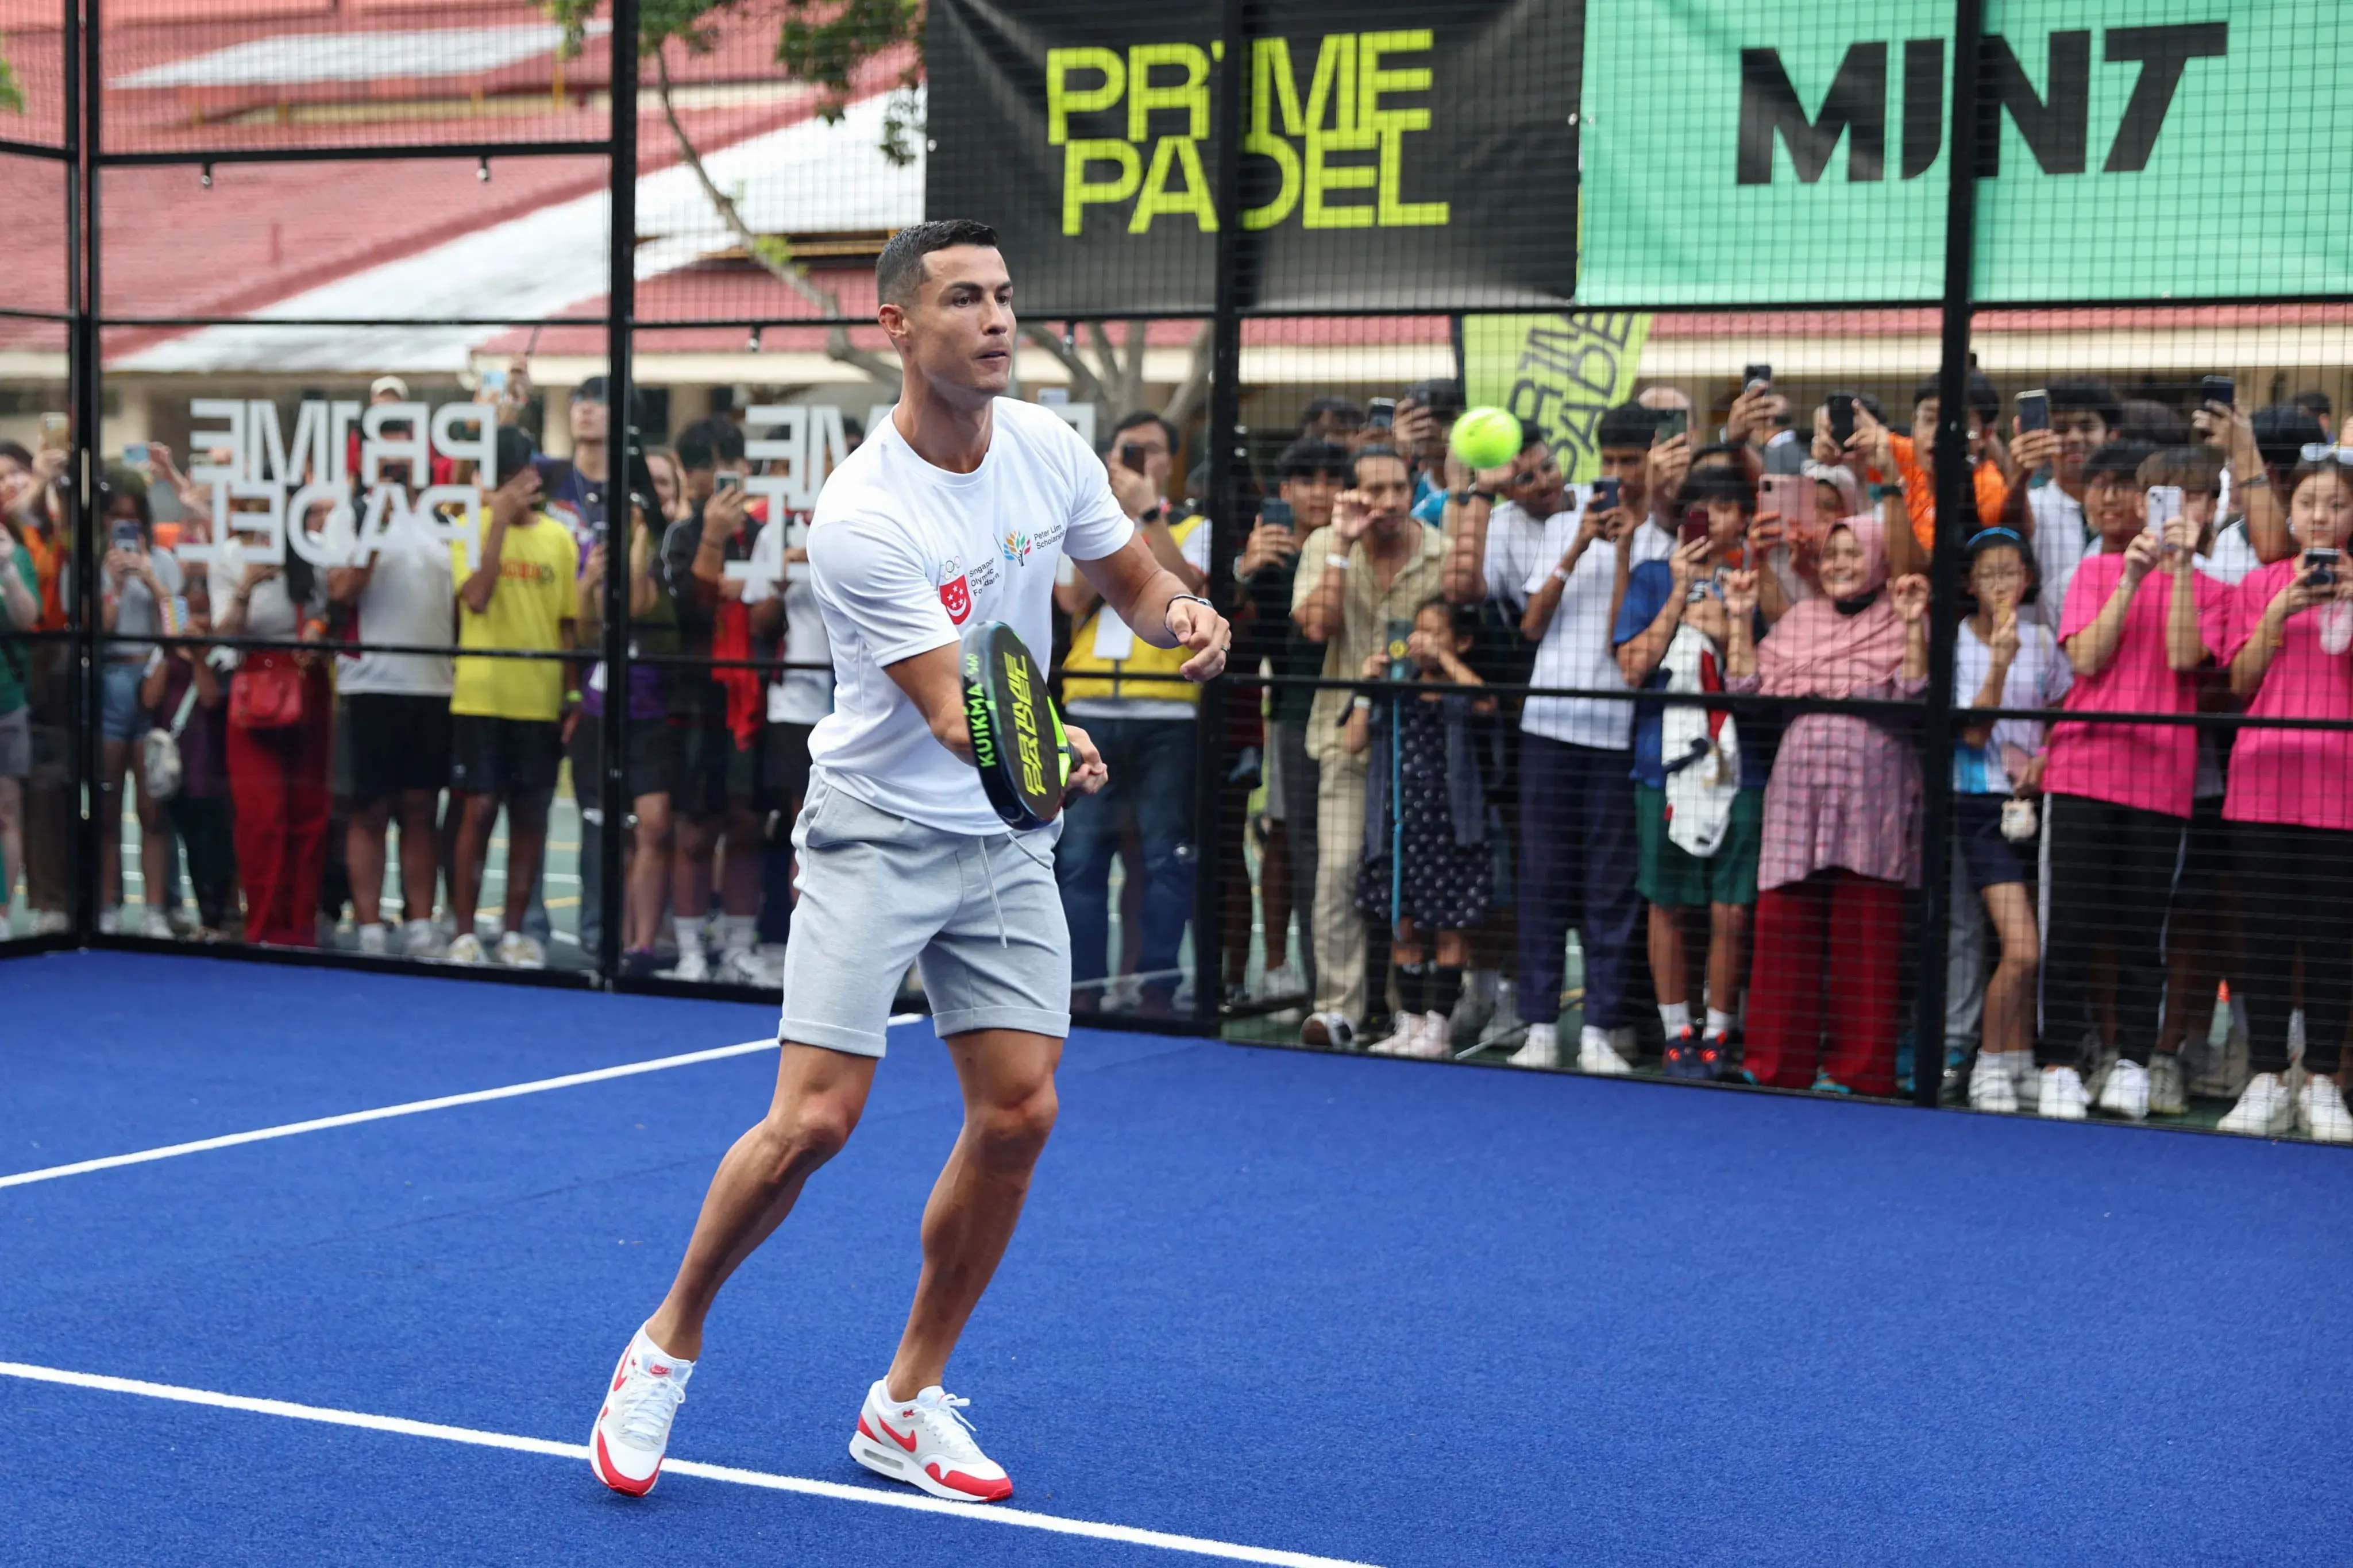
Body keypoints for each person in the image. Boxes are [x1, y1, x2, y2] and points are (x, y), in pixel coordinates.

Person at [586, 218, 1229, 1504]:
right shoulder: (862, 518)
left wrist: (1181, 614)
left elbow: (1126, 575)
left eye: (1003, 297)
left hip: (1002, 834)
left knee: (1019, 1112)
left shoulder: (1048, 448)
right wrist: (1057, 747)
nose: (995, 320)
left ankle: (905, 1400)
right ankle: (665, 1343)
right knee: (815, 1122)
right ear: (896, 326)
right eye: (962, 300)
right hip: (879, 825)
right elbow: (956, 709)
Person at [2036, 441, 2228, 1121]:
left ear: (2211, 511)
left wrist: (2176, 571)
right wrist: (2129, 580)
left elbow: (2184, 656)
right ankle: (2058, 1063)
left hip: (2161, 780)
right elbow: (2086, 659)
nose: (2180, 510)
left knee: (2146, 930)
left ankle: (2131, 1065)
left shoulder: (2216, 593)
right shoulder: (2095, 572)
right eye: (2166, 498)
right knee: (2071, 926)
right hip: (2083, 770)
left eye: (2195, 499)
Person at [1723, 516, 1928, 1096]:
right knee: (1782, 923)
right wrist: (1740, 618)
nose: (1840, 563)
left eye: (1852, 552)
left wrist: (1914, 626)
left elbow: (1914, 694)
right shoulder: (1801, 618)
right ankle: (1774, 1064)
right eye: (1832, 553)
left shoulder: (1901, 613)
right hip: (1797, 794)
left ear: (1879, 558)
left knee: (1865, 931)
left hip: (1874, 796)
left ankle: (1856, 1072)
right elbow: (1745, 689)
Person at [1613, 464, 1769, 1079]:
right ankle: (1676, 1028)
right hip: (1663, 766)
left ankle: (1721, 1030)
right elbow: (1631, 668)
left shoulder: (1758, 583)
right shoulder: (1652, 577)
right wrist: (1679, 597)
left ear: (1744, 518)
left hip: (1740, 764)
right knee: (1668, 904)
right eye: (1700, 509)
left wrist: (1733, 619)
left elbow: (1760, 679)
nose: (1714, 519)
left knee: (1733, 910)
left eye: (1727, 508)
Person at [1291, 445, 1449, 1048]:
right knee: (1336, 872)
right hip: (1347, 734)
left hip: (1422, 743)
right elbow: (1315, 627)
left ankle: (1407, 1012)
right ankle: (1338, 1010)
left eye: (1396, 488)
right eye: (1372, 491)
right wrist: (1340, 544)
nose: (1386, 502)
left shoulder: (1438, 551)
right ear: (1351, 496)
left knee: (1412, 879)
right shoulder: (1323, 546)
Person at [1509, 454, 1663, 1072]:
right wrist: (1575, 546)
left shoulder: (1659, 541)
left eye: (1633, 464)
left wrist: (1623, 552)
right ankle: (1539, 1027)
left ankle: (1600, 1028)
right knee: (1541, 880)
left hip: (1615, 732)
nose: (1619, 477)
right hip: (1546, 728)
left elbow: (1618, 639)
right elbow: (1530, 625)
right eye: (1614, 463)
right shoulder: (1558, 525)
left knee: (1610, 887)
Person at [1054, 408, 1211, 1016]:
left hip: (1167, 714)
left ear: (1170, 461)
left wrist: (1148, 515)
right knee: (1081, 855)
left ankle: (1155, 990)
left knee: (1164, 853)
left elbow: (1190, 586)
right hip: (1089, 703)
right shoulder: (1087, 522)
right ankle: (1083, 991)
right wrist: (1113, 524)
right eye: (1125, 450)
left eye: (1149, 451)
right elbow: (1070, 596)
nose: (1135, 461)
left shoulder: (1195, 523)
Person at [2215, 449, 2353, 1141]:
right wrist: (2278, 611)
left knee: (2334, 938)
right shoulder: (2257, 582)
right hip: (2261, 782)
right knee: (2263, 936)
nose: (2321, 516)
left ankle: (2323, 1079)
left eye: (2335, 504)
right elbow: (2238, 682)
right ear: (2289, 513)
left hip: (2343, 787)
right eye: (2308, 504)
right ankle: (2266, 1075)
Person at [1943, 530, 2069, 1111]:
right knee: (2021, 949)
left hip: (2036, 802)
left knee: (2025, 941)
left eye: (2010, 572)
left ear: (2028, 579)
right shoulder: (1959, 643)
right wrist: (1999, 658)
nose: (2000, 584)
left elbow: (2063, 712)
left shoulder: (2046, 640)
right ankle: (1987, 1063)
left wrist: (2045, 759)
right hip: (1977, 805)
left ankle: (2018, 1057)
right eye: (1988, 573)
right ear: (1969, 583)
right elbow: (1971, 732)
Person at [446, 428, 578, 968]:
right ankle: (462, 932)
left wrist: (570, 695)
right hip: (481, 696)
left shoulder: (560, 539)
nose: (525, 481)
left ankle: (514, 932)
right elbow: (475, 598)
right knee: (477, 812)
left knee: (531, 816)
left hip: (538, 700)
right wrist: (496, 519)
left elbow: (569, 627)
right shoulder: (467, 529)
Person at [1348, 598, 1499, 1057]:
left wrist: (1446, 661)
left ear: (1462, 641)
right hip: (1397, 829)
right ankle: (1410, 1021)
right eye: (1418, 631)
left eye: (1435, 632)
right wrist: (1364, 685)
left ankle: (1440, 1026)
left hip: (1452, 829)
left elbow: (1487, 705)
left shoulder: (1460, 688)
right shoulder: (1397, 687)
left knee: (1450, 928)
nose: (1421, 640)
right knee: (1404, 926)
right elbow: (1353, 741)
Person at [329, 457, 454, 959]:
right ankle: (369, 926)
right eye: (390, 465)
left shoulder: (444, 521)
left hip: (433, 686)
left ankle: (421, 923)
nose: (400, 473)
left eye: (407, 464)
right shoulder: (353, 515)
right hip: (370, 684)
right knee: (370, 811)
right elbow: (341, 590)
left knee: (422, 809)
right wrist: (376, 526)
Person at [1239, 439, 1349, 1004]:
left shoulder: (1358, 548)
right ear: (1285, 493)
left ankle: (1345, 989)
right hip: (1288, 717)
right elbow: (1238, 632)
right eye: (1307, 480)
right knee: (1295, 844)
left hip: (1354, 719)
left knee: (1344, 853)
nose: (1321, 492)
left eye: (1333, 480)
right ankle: (1299, 980)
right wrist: (1243, 568)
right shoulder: (1273, 555)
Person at [662, 416, 767, 983]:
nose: (715, 476)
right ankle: (689, 952)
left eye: (728, 462)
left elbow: (769, 613)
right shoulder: (681, 536)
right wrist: (711, 538)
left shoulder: (763, 535)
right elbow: (694, 609)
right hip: (697, 702)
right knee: (695, 829)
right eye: (701, 465)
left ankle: (739, 946)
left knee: (747, 823)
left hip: (752, 702)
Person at [215, 496, 333, 948]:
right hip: (255, 685)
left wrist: (317, 634)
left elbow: (330, 614)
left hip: (307, 678)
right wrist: (245, 588)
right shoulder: (228, 557)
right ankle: (262, 926)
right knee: (260, 815)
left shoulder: (314, 549)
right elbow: (224, 633)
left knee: (309, 813)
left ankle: (301, 925)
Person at [575, 472, 680, 976]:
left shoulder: (665, 552)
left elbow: (639, 605)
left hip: (652, 710)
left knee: (654, 828)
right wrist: (589, 583)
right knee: (609, 830)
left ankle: (642, 943)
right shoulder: (596, 554)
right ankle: (610, 939)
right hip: (603, 712)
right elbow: (587, 628)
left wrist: (639, 540)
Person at [91, 475, 186, 936]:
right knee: (107, 806)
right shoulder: (93, 566)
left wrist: (153, 582)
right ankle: (107, 905)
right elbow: (93, 631)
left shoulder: (164, 562)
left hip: (152, 678)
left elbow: (179, 625)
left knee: (153, 807)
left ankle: (154, 910)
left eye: (132, 517)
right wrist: (112, 584)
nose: (124, 526)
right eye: (116, 517)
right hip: (109, 679)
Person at [138, 574, 236, 940]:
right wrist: (168, 652)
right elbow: (149, 699)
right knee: (190, 839)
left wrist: (198, 658)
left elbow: (211, 699)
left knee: (216, 842)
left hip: (211, 765)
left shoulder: (222, 655)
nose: (197, 621)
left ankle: (219, 917)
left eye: (204, 612)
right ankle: (201, 914)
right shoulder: (162, 654)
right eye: (190, 613)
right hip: (177, 767)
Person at [2001, 377, 2121, 630]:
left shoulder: (2129, 509)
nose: (2075, 438)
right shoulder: (2033, 502)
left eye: (2087, 427)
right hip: (2041, 656)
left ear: (2112, 437)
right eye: (2062, 429)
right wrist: (2019, 477)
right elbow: (2013, 528)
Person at [1887, 370, 2012, 551]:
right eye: (1929, 419)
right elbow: (1869, 435)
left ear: (1986, 434)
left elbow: (1929, 565)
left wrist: (1890, 485)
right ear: (1913, 422)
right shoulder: (1912, 453)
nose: (1938, 434)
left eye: (1956, 423)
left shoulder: (1991, 489)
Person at [0, 505, 36, 912]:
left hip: (7, 702)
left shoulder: (17, 556)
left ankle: (4, 912)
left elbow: (26, 618)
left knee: (6, 812)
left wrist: (8, 569)